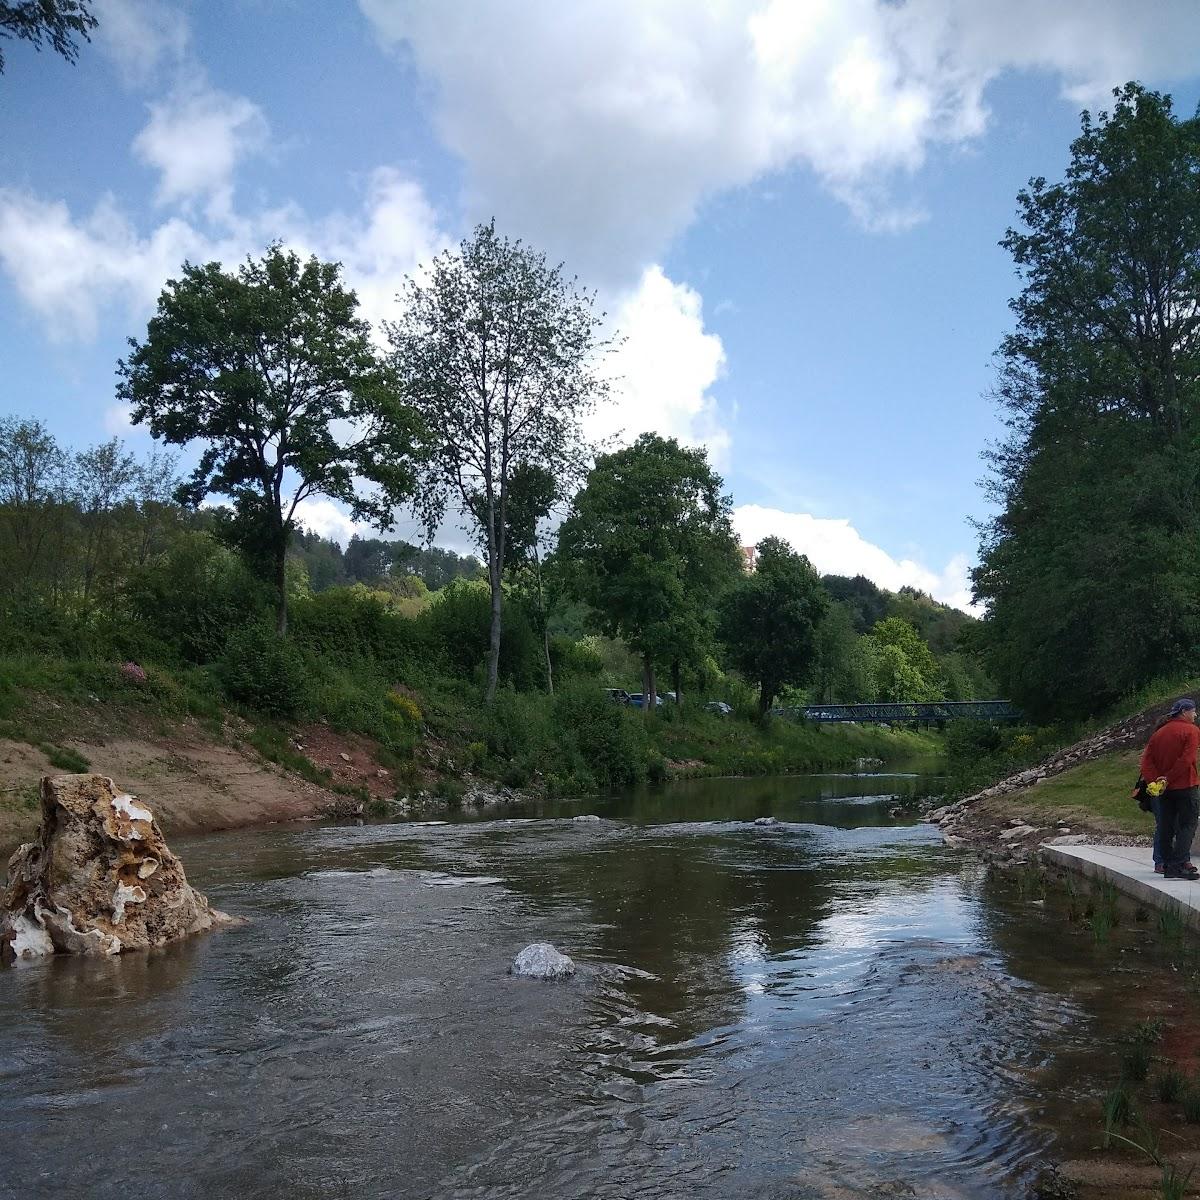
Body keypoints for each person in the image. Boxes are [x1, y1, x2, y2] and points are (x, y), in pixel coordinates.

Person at [1140, 698, 1200, 880]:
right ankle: (1178, 863)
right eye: (1193, 711)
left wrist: (1156, 781)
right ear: (1184, 712)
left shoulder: (1159, 733)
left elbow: (1146, 761)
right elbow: (1187, 758)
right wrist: (1169, 777)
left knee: (1166, 826)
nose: (1195, 715)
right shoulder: (1191, 730)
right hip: (1186, 785)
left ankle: (1166, 864)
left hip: (1164, 790)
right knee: (1188, 824)